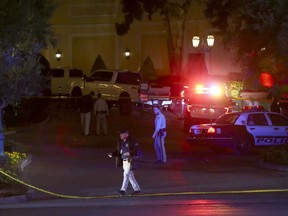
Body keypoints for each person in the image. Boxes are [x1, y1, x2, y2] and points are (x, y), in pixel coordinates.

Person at [108, 129, 141, 196]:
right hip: (124, 161)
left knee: (126, 174)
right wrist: (112, 154)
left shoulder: (132, 140)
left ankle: (123, 190)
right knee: (130, 176)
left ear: (126, 134)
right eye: (120, 134)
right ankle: (137, 189)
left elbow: (136, 149)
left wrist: (130, 153)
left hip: (130, 160)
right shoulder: (120, 142)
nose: (120, 135)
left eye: (122, 134)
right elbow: (118, 151)